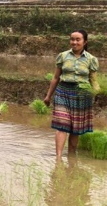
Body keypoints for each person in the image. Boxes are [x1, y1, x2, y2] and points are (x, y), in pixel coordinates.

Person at [44, 29, 99, 157]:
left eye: (77, 40)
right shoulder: (63, 56)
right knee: (62, 126)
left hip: (82, 95)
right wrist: (48, 96)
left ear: (85, 42)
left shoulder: (91, 59)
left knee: (76, 129)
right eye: (72, 39)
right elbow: (56, 78)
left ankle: (71, 157)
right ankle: (58, 159)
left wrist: (96, 92)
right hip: (63, 92)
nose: (74, 42)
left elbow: (93, 80)